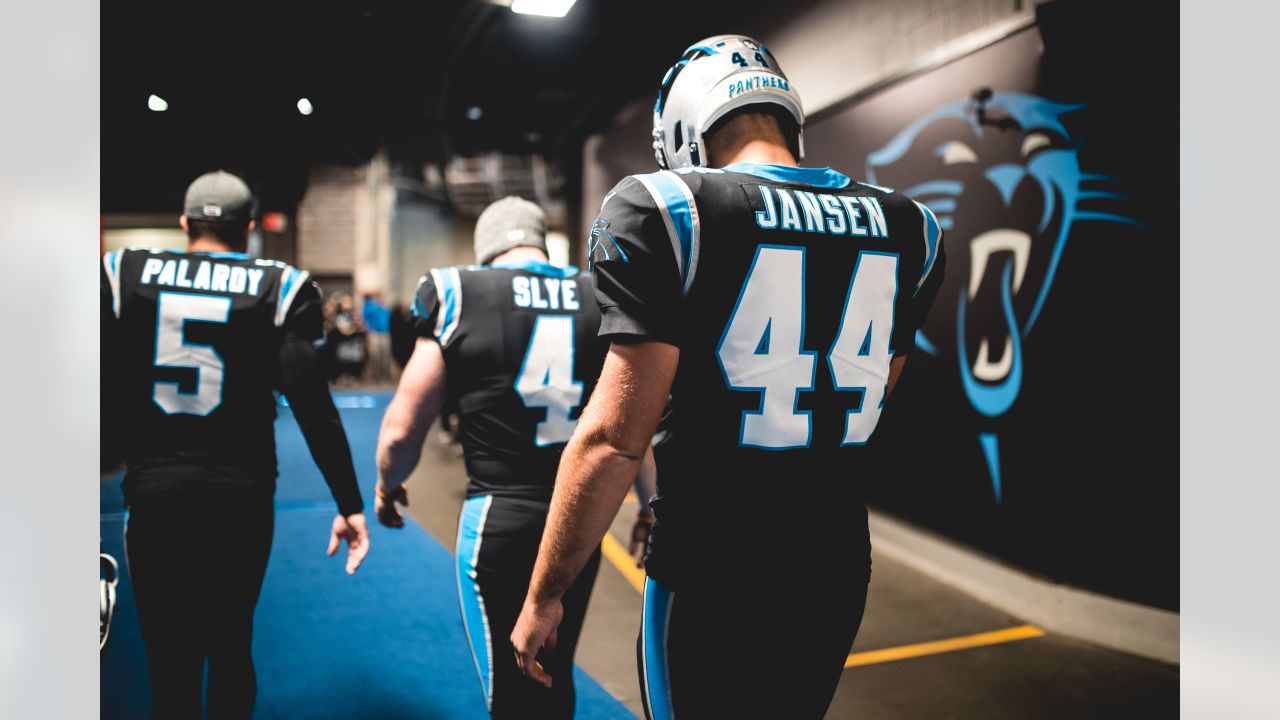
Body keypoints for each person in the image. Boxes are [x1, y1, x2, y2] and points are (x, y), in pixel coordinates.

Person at [511, 35, 946, 719]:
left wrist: (543, 593)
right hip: (833, 558)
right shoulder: (911, 226)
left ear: (686, 127)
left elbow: (613, 443)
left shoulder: (667, 209)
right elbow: (875, 391)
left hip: (712, 561)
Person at [100, 170, 370, 718]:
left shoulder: (123, 273)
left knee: (169, 665)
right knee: (229, 648)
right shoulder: (278, 286)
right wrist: (349, 503)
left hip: (156, 491)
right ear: (250, 229)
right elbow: (313, 407)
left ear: (184, 223)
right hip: (240, 497)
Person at [374, 196, 654, 719]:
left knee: (510, 687)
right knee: (556, 669)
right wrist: (648, 503)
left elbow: (401, 428)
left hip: (498, 515)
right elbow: (627, 422)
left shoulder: (461, 290)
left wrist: (388, 485)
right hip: (580, 517)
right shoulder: (595, 293)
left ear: (487, 248)